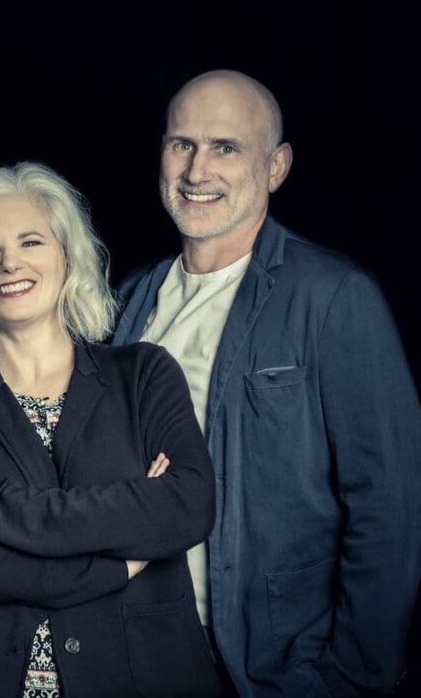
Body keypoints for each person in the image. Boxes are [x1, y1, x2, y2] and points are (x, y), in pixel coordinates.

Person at [113, 69, 421, 695]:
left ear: (276, 167)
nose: (197, 171)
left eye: (225, 148)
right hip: (137, 653)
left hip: (274, 669)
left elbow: (387, 509)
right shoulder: (128, 301)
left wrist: (352, 677)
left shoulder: (334, 296)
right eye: (182, 144)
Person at [0, 161, 222, 697]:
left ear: (67, 257)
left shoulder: (144, 374)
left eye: (31, 241)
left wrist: (7, 515)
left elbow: (188, 505)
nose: (10, 263)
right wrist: (114, 563)